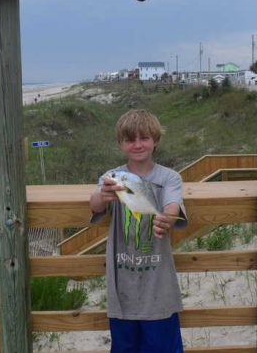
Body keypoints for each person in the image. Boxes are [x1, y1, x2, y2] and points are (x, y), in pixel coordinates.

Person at [89, 109, 187, 353]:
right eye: (130, 140)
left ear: (155, 140)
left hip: (159, 286)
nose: (137, 144)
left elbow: (172, 206)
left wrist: (166, 219)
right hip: (122, 288)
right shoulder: (112, 177)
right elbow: (95, 203)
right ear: (120, 143)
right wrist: (103, 195)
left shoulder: (170, 177)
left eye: (144, 138)